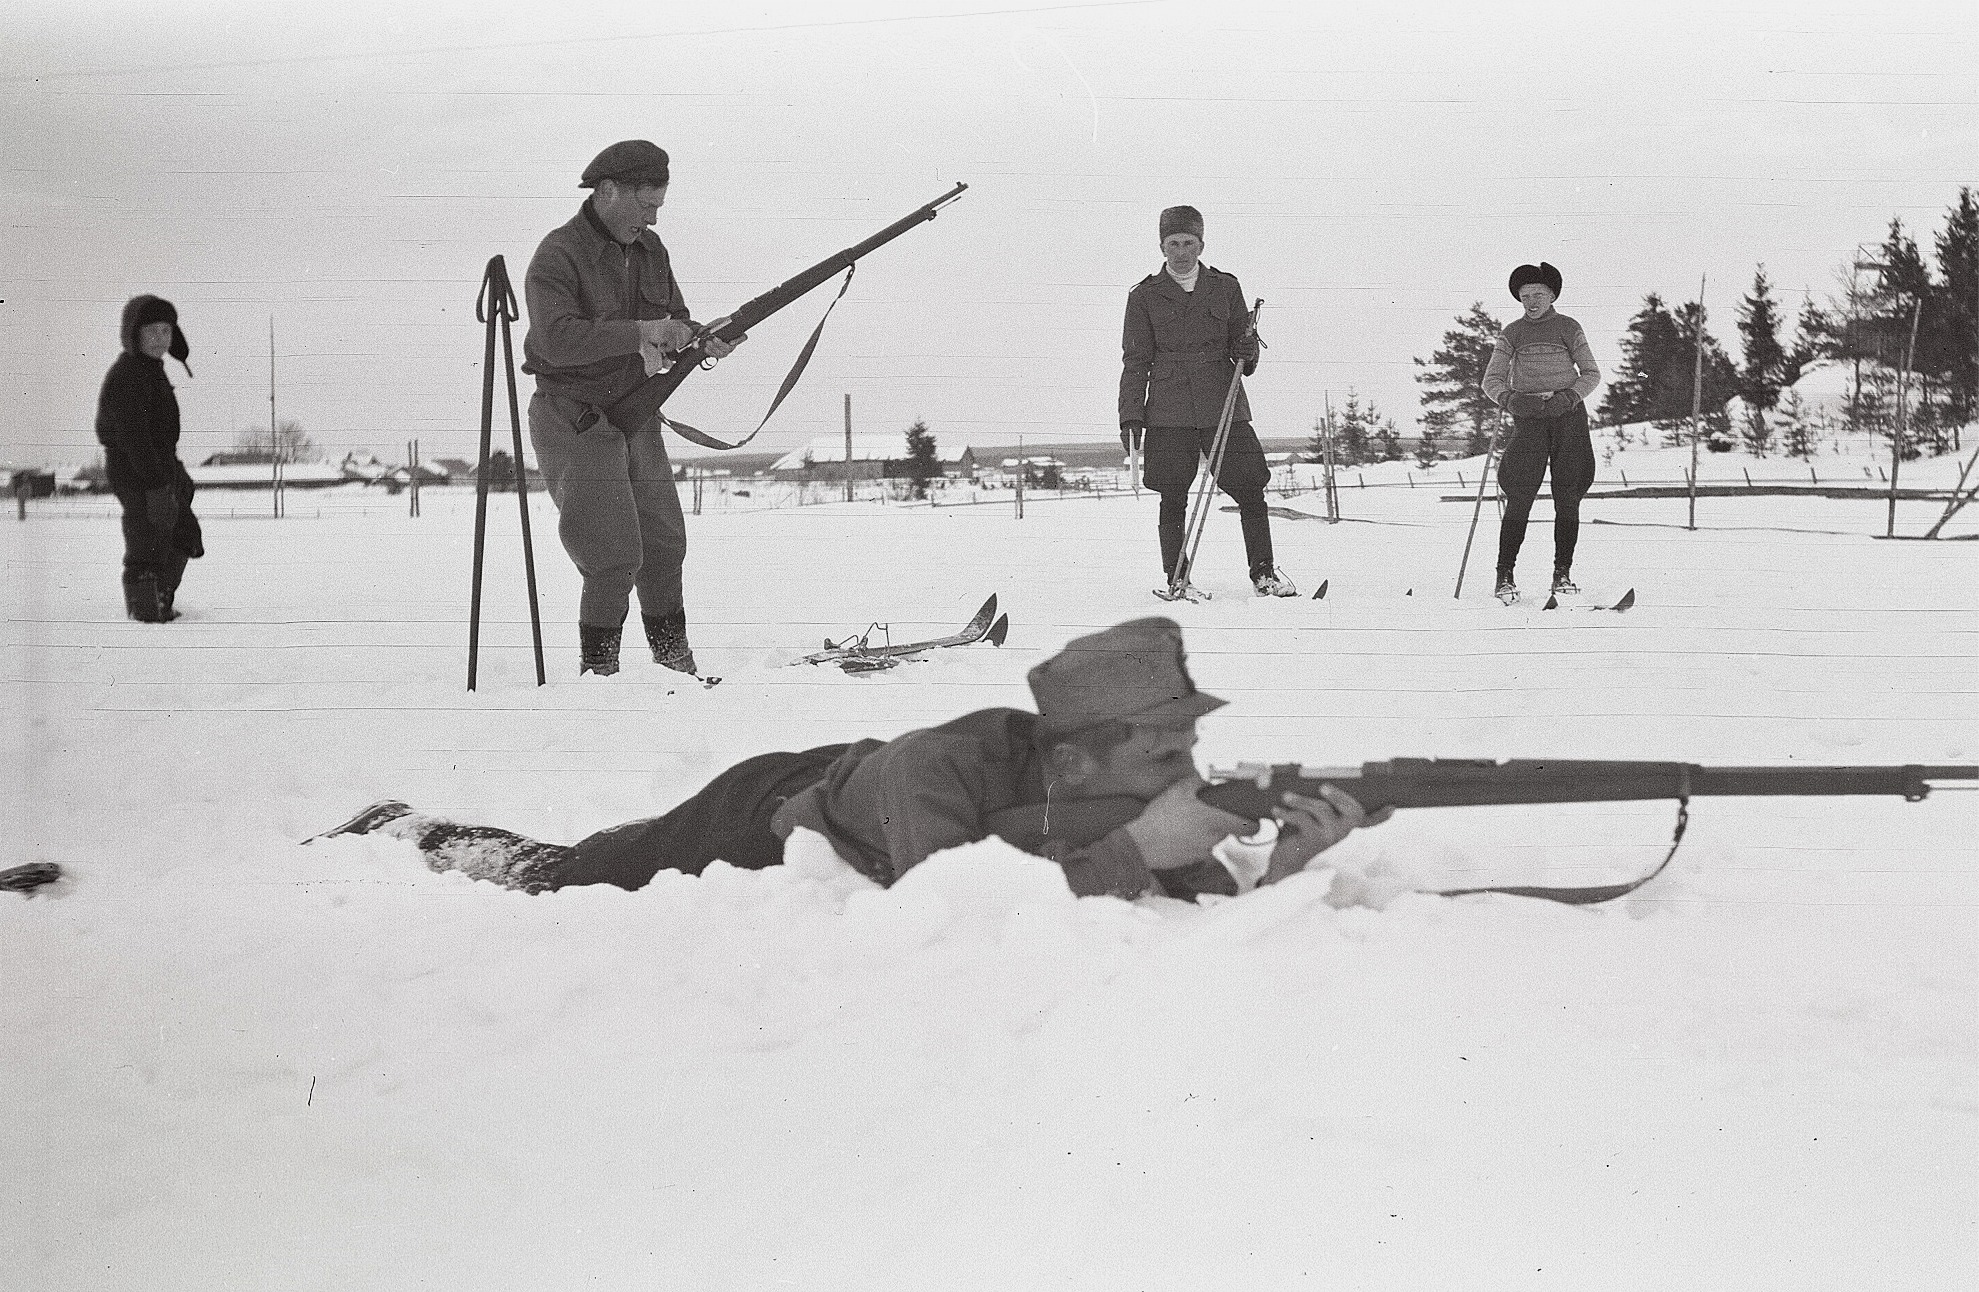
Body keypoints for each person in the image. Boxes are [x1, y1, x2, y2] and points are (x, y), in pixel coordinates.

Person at [311, 618, 1387, 901]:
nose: (1188, 756)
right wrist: (1146, 844)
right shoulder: (943, 770)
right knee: (577, 874)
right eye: (1167, 743)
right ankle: (421, 832)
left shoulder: (1104, 788)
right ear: (1083, 749)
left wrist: (1280, 865)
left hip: (853, 772)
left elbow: (1169, 884)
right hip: (770, 803)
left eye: (1186, 737)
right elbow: (946, 905)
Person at [520, 140, 744, 677]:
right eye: (645, 205)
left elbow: (676, 318)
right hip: (575, 415)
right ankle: (601, 678)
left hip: (635, 410)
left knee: (664, 542)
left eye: (658, 207)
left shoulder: (651, 250)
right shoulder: (557, 255)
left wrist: (699, 338)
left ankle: (675, 665)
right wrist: (642, 332)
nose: (652, 218)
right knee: (612, 554)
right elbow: (555, 340)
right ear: (606, 192)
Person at [1119, 206, 1296, 598]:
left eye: (1189, 243)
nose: (1181, 252)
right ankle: (1177, 577)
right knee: (1172, 493)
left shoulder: (1225, 287)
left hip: (1223, 402)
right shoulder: (1144, 296)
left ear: (1201, 243)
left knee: (1251, 487)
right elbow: (1135, 361)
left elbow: (1243, 355)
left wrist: (1249, 350)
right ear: (1161, 246)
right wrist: (1130, 416)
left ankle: (1264, 573)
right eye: (1173, 244)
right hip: (1168, 409)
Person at [1479, 262, 1602, 603]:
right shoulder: (1512, 333)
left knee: (1568, 493)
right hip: (1529, 417)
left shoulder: (1568, 327)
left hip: (1568, 417)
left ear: (1552, 296)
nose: (1531, 302)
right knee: (1520, 492)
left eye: (1538, 295)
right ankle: (1505, 575)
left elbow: (1591, 373)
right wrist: (1512, 400)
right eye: (1524, 296)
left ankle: (1562, 574)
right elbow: (1491, 380)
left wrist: (1568, 397)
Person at [95, 295, 204, 623]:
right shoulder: (128, 375)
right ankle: (147, 611)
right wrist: (157, 486)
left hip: (160, 466)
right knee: (148, 536)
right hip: (136, 470)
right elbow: (135, 439)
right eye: (152, 331)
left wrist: (175, 476)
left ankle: (161, 599)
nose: (160, 339)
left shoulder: (151, 371)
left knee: (182, 530)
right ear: (134, 334)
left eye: (166, 331)